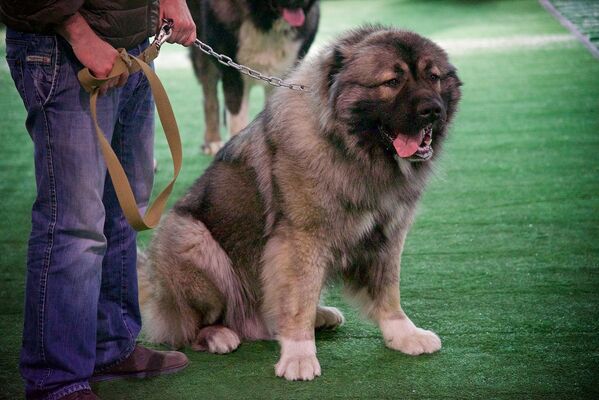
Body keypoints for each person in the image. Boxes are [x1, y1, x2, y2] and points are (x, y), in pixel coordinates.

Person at [0, 1, 196, 399]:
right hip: (64, 50)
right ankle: (56, 379)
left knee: (124, 209)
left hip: (133, 44)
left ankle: (110, 347)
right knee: (74, 224)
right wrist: (79, 33)